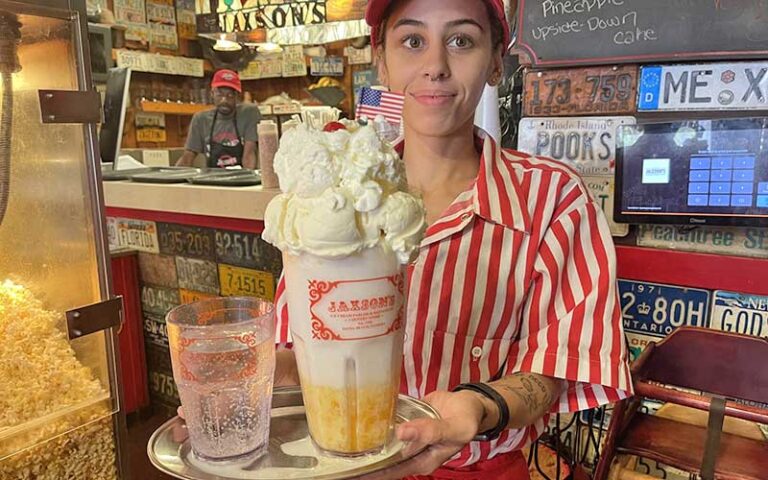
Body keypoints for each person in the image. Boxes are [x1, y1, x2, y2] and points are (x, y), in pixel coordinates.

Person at [271, 0, 632, 478]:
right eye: (412, 41)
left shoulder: (552, 198)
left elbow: (551, 368)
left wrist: (480, 407)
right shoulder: (333, 201)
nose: (435, 67)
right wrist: (254, 380)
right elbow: (298, 348)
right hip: (337, 466)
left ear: (497, 62)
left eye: (461, 41)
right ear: (382, 60)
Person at [176, 69, 260, 169]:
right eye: (219, 94)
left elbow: (250, 153)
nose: (224, 100)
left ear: (237, 96)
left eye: (230, 95)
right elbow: (188, 157)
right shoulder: (200, 119)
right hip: (212, 181)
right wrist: (172, 179)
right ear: (212, 94)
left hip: (241, 180)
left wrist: (247, 180)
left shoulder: (249, 113)